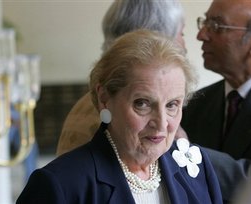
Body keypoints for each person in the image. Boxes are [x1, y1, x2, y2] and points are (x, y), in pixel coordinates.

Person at [16, 30, 222, 204]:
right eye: (142, 104)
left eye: (172, 105)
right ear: (105, 98)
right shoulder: (60, 184)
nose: (161, 123)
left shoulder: (196, 167)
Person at [181, 0, 251, 202]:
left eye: (217, 26)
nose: (201, 35)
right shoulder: (195, 104)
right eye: (204, 23)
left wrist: (188, 152)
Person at [56, 0, 186, 156]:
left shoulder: (90, 102)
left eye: (171, 105)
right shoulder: (114, 117)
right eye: (181, 33)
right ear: (154, 40)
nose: (184, 45)